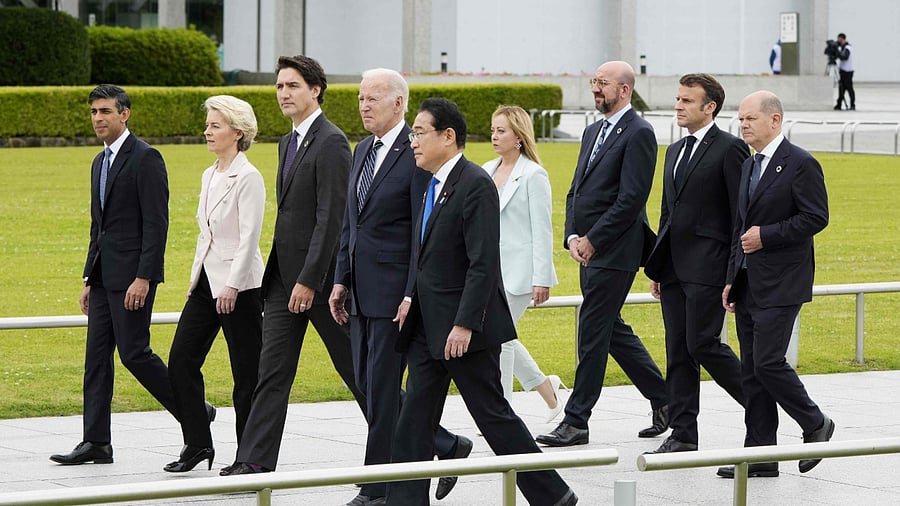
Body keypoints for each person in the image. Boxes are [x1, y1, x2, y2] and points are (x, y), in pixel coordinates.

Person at [385, 97, 577, 506]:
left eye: (419, 133)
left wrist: (465, 323)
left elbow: (483, 262)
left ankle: (553, 495)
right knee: (413, 420)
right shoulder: (432, 183)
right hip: (426, 324)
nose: (413, 142)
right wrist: (408, 296)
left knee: (493, 416)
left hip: (461, 329)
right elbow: (424, 254)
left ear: (448, 136)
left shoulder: (474, 184)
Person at [329, 68, 470, 506]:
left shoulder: (416, 156)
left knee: (384, 390)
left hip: (395, 293)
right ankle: (444, 444)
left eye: (373, 98)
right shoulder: (361, 151)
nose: (364, 105)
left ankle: (378, 488)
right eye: (360, 98)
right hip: (358, 291)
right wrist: (339, 278)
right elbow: (351, 222)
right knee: (368, 385)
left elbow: (421, 233)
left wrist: (411, 291)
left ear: (399, 105)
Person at [221, 55, 367, 476]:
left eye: (293, 86)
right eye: (280, 86)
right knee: (272, 372)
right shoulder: (287, 142)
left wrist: (310, 280)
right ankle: (254, 461)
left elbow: (331, 217)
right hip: (283, 281)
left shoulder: (333, 141)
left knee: (357, 372)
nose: (284, 94)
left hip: (319, 283)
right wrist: (290, 279)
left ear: (315, 90)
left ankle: (435, 442)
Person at [536, 61, 669, 448]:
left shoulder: (640, 132)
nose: (596, 89)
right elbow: (577, 189)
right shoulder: (593, 129)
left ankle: (577, 420)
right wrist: (573, 236)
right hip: (587, 250)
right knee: (610, 330)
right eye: (594, 82)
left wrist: (593, 239)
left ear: (624, 90)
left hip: (616, 250)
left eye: (603, 83)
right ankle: (666, 400)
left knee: (592, 330)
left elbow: (631, 199)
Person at [51, 84, 181, 465]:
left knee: (135, 354)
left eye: (105, 111)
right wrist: (89, 278)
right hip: (104, 278)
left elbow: (157, 225)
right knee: (95, 360)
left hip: (133, 279)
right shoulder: (99, 162)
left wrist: (144, 277)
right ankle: (96, 442)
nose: (97, 119)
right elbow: (99, 227)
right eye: (93, 112)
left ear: (124, 114)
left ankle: (192, 410)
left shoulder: (147, 158)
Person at [717, 90, 833, 479]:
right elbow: (739, 228)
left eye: (750, 118)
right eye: (741, 119)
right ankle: (760, 456)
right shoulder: (750, 166)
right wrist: (732, 277)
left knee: (768, 362)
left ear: (775, 120)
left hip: (784, 281)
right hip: (749, 282)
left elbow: (816, 217)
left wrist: (767, 235)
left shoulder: (801, 164)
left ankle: (815, 422)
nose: (743, 124)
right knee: (751, 371)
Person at [643, 74, 749, 455]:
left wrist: (733, 273)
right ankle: (683, 434)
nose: (678, 106)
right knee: (678, 353)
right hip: (673, 269)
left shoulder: (731, 149)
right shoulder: (673, 150)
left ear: (710, 108)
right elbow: (667, 211)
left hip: (709, 268)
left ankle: (760, 404)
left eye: (687, 101)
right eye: (677, 99)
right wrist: (659, 264)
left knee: (703, 345)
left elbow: (740, 215)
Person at [164, 95, 265, 473]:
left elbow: (249, 237)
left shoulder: (249, 177)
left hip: (241, 288)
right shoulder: (209, 174)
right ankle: (197, 444)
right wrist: (196, 281)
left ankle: (249, 456)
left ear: (238, 133)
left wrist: (233, 286)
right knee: (180, 363)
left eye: (215, 125)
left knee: (246, 376)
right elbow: (205, 236)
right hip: (206, 284)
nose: (207, 131)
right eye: (208, 125)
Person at [482, 105, 566, 422]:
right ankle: (548, 391)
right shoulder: (487, 169)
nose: (494, 135)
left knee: (498, 340)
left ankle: (500, 413)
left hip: (519, 274)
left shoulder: (534, 174)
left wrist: (541, 278)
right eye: (493, 129)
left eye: (501, 130)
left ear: (518, 136)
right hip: (488, 272)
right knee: (502, 337)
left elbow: (542, 229)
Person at [834, 33, 855, 110]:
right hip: (843, 71)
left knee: (849, 88)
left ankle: (852, 105)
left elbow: (844, 57)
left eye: (839, 39)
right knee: (841, 88)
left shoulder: (847, 48)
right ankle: (839, 104)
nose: (838, 41)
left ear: (842, 39)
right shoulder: (843, 48)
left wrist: (838, 53)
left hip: (848, 71)